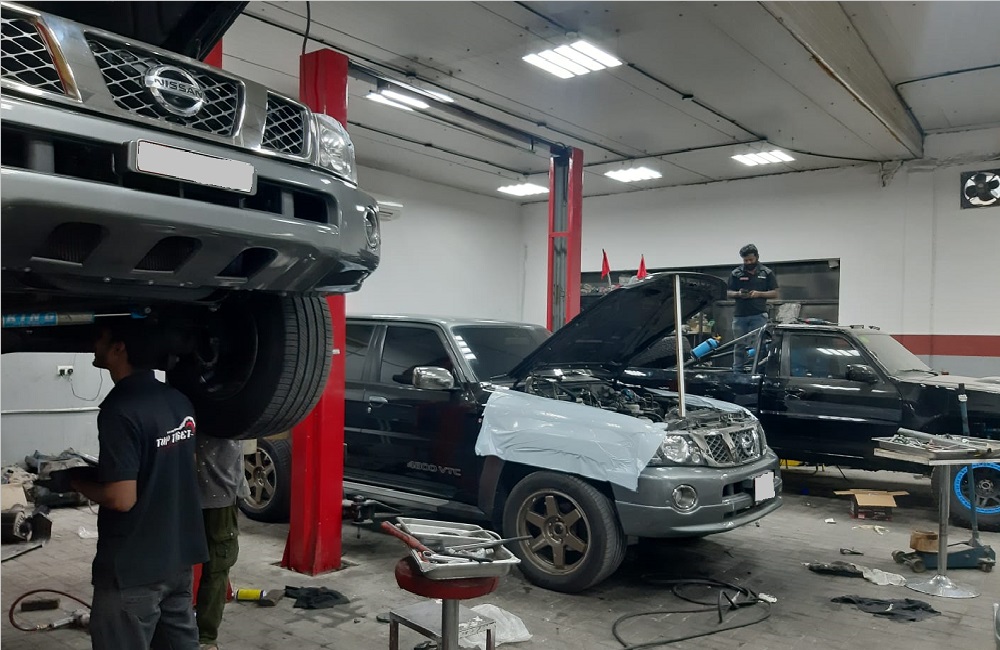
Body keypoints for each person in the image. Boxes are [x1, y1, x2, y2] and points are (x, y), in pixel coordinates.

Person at [70, 320, 207, 650]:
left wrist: (76, 481)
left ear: (119, 349)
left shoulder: (120, 409)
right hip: (178, 560)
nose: (94, 345)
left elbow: (121, 498)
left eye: (101, 338)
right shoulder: (178, 401)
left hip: (133, 568)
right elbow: (172, 466)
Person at [194, 434, 251, 650]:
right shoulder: (230, 413)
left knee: (180, 567)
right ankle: (205, 638)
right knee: (217, 567)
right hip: (218, 492)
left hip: (188, 492)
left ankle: (188, 635)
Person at [727, 244, 779, 371]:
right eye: (746, 260)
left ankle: (758, 372)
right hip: (740, 317)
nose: (748, 262)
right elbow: (727, 293)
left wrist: (759, 294)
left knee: (760, 346)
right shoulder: (736, 273)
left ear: (757, 257)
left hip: (759, 315)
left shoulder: (766, 273)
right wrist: (738, 294)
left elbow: (775, 293)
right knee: (739, 345)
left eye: (751, 260)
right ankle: (737, 372)